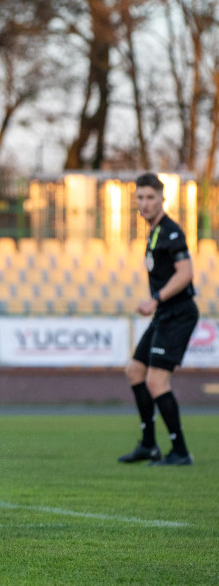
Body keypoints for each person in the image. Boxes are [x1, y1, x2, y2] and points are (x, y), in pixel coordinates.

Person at [117, 172, 197, 466]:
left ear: (162, 199)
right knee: (134, 372)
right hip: (165, 314)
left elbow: (186, 273)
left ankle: (180, 452)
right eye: (140, 197)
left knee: (156, 380)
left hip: (178, 314)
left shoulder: (171, 231)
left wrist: (156, 299)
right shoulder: (153, 233)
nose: (145, 203)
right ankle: (149, 445)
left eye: (150, 197)